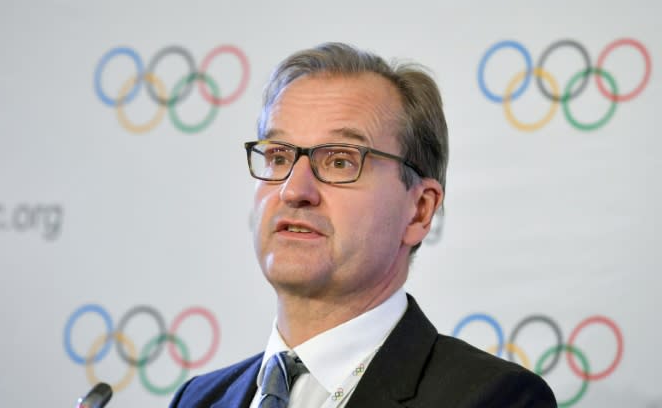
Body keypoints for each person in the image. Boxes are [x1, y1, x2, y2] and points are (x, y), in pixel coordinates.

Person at [170, 43, 556, 407]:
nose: (293, 190)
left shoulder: (494, 398)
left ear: (420, 211)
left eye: (340, 161)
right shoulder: (198, 398)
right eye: (278, 156)